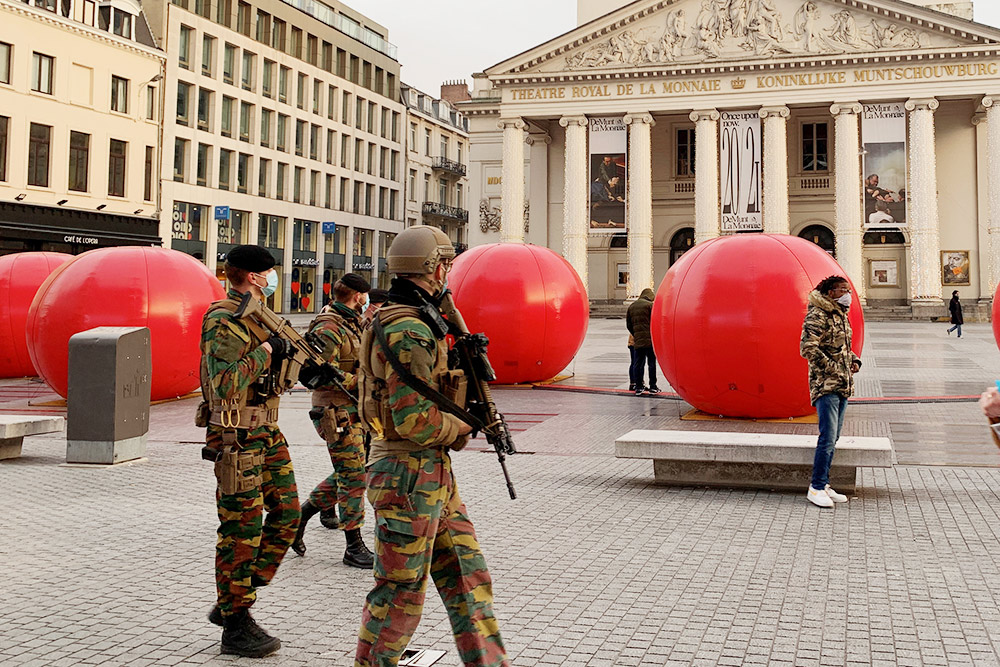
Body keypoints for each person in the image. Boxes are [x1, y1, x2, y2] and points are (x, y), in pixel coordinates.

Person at [354, 225, 509, 667]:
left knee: (468, 575)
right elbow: (414, 420)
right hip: (406, 474)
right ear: (435, 267)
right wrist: (465, 426)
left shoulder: (416, 316)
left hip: (428, 473)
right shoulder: (407, 328)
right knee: (400, 592)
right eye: (447, 265)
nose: (449, 273)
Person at [198, 244, 301, 657]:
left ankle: (235, 597)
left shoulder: (261, 318)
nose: (272, 280)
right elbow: (222, 383)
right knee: (241, 529)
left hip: (267, 433)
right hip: (235, 437)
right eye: (270, 274)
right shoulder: (223, 319)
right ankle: (236, 622)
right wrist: (268, 351)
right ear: (256, 277)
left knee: (289, 513)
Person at [291, 273, 374, 568]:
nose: (367, 302)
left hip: (355, 411)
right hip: (334, 413)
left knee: (353, 472)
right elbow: (323, 379)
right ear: (358, 297)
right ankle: (353, 546)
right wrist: (367, 382)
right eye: (365, 297)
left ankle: (302, 515)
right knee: (353, 477)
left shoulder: (353, 322)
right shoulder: (328, 328)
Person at [800, 275, 861, 509]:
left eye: (850, 290)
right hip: (826, 384)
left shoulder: (839, 315)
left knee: (833, 437)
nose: (849, 295)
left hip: (842, 383)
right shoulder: (817, 315)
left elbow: (840, 348)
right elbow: (808, 348)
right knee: (826, 438)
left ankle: (824, 483)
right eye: (844, 290)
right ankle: (815, 487)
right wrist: (834, 368)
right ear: (830, 292)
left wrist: (854, 360)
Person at [626, 288, 659, 396]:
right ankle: (653, 386)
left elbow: (629, 325)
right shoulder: (650, 306)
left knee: (638, 364)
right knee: (651, 363)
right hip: (649, 341)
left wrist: (636, 334)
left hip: (638, 341)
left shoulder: (632, 306)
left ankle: (638, 387)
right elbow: (655, 321)